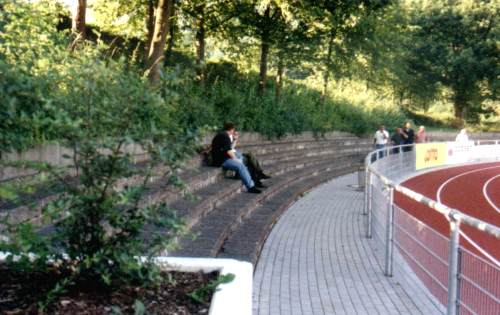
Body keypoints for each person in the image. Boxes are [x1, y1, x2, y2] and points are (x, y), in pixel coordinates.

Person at [211, 122, 262, 194]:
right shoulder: (224, 136)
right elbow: (228, 151)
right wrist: (236, 159)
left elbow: (230, 148)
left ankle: (241, 175)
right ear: (232, 129)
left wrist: (235, 140)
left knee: (242, 158)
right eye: (234, 130)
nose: (234, 131)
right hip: (221, 160)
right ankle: (251, 187)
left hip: (223, 158)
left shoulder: (223, 135)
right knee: (240, 165)